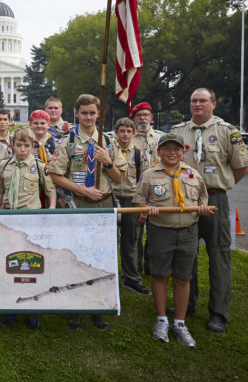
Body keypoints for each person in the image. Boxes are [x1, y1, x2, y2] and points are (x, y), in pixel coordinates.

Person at [171, 88, 248, 334]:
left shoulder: (228, 132)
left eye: (203, 101)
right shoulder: (178, 131)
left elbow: (241, 168)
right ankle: (189, 303)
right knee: (186, 255)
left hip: (215, 201)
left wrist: (218, 188)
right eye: (194, 100)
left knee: (219, 257)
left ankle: (218, 313)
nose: (197, 104)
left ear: (213, 104)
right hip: (184, 203)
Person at [49, 94, 126, 332]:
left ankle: (97, 306)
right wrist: (83, 190)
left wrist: (108, 162)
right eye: (84, 113)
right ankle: (74, 308)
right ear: (77, 114)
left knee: (101, 256)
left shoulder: (109, 143)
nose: (89, 117)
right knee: (76, 256)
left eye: (93, 113)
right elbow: (55, 174)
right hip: (79, 205)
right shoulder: (68, 142)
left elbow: (120, 178)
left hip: (103, 205)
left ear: (98, 114)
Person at [134, 133, 212, 348]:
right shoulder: (149, 175)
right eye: (166, 148)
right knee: (160, 275)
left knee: (183, 277)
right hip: (161, 232)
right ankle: (161, 320)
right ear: (158, 152)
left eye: (176, 149)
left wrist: (203, 208)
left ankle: (180, 322)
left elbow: (203, 198)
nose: (171, 152)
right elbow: (139, 201)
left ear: (182, 152)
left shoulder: (193, 174)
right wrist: (146, 209)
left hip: (188, 232)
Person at [0, 127, 55, 330]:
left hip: (32, 221)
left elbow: (50, 191)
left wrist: (50, 213)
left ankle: (32, 310)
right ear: (12, 145)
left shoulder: (38, 165)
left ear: (32, 146)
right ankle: (10, 307)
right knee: (10, 264)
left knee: (32, 264)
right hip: (10, 221)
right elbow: (0, 193)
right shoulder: (3, 166)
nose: (22, 149)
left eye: (26, 145)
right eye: (18, 145)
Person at [111, 117, 150, 296]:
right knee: (109, 241)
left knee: (131, 241)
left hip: (131, 200)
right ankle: (108, 275)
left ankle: (132, 279)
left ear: (133, 133)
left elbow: (144, 180)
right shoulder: (109, 150)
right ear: (116, 132)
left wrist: (143, 207)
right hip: (111, 198)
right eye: (122, 131)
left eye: (128, 131)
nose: (125, 135)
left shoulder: (137, 153)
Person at [130, 102, 164, 276]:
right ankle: (135, 269)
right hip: (137, 191)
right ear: (133, 118)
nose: (142, 118)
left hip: (159, 192)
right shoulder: (127, 137)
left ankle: (153, 268)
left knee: (157, 234)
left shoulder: (162, 138)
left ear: (151, 117)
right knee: (136, 233)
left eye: (146, 115)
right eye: (138, 115)